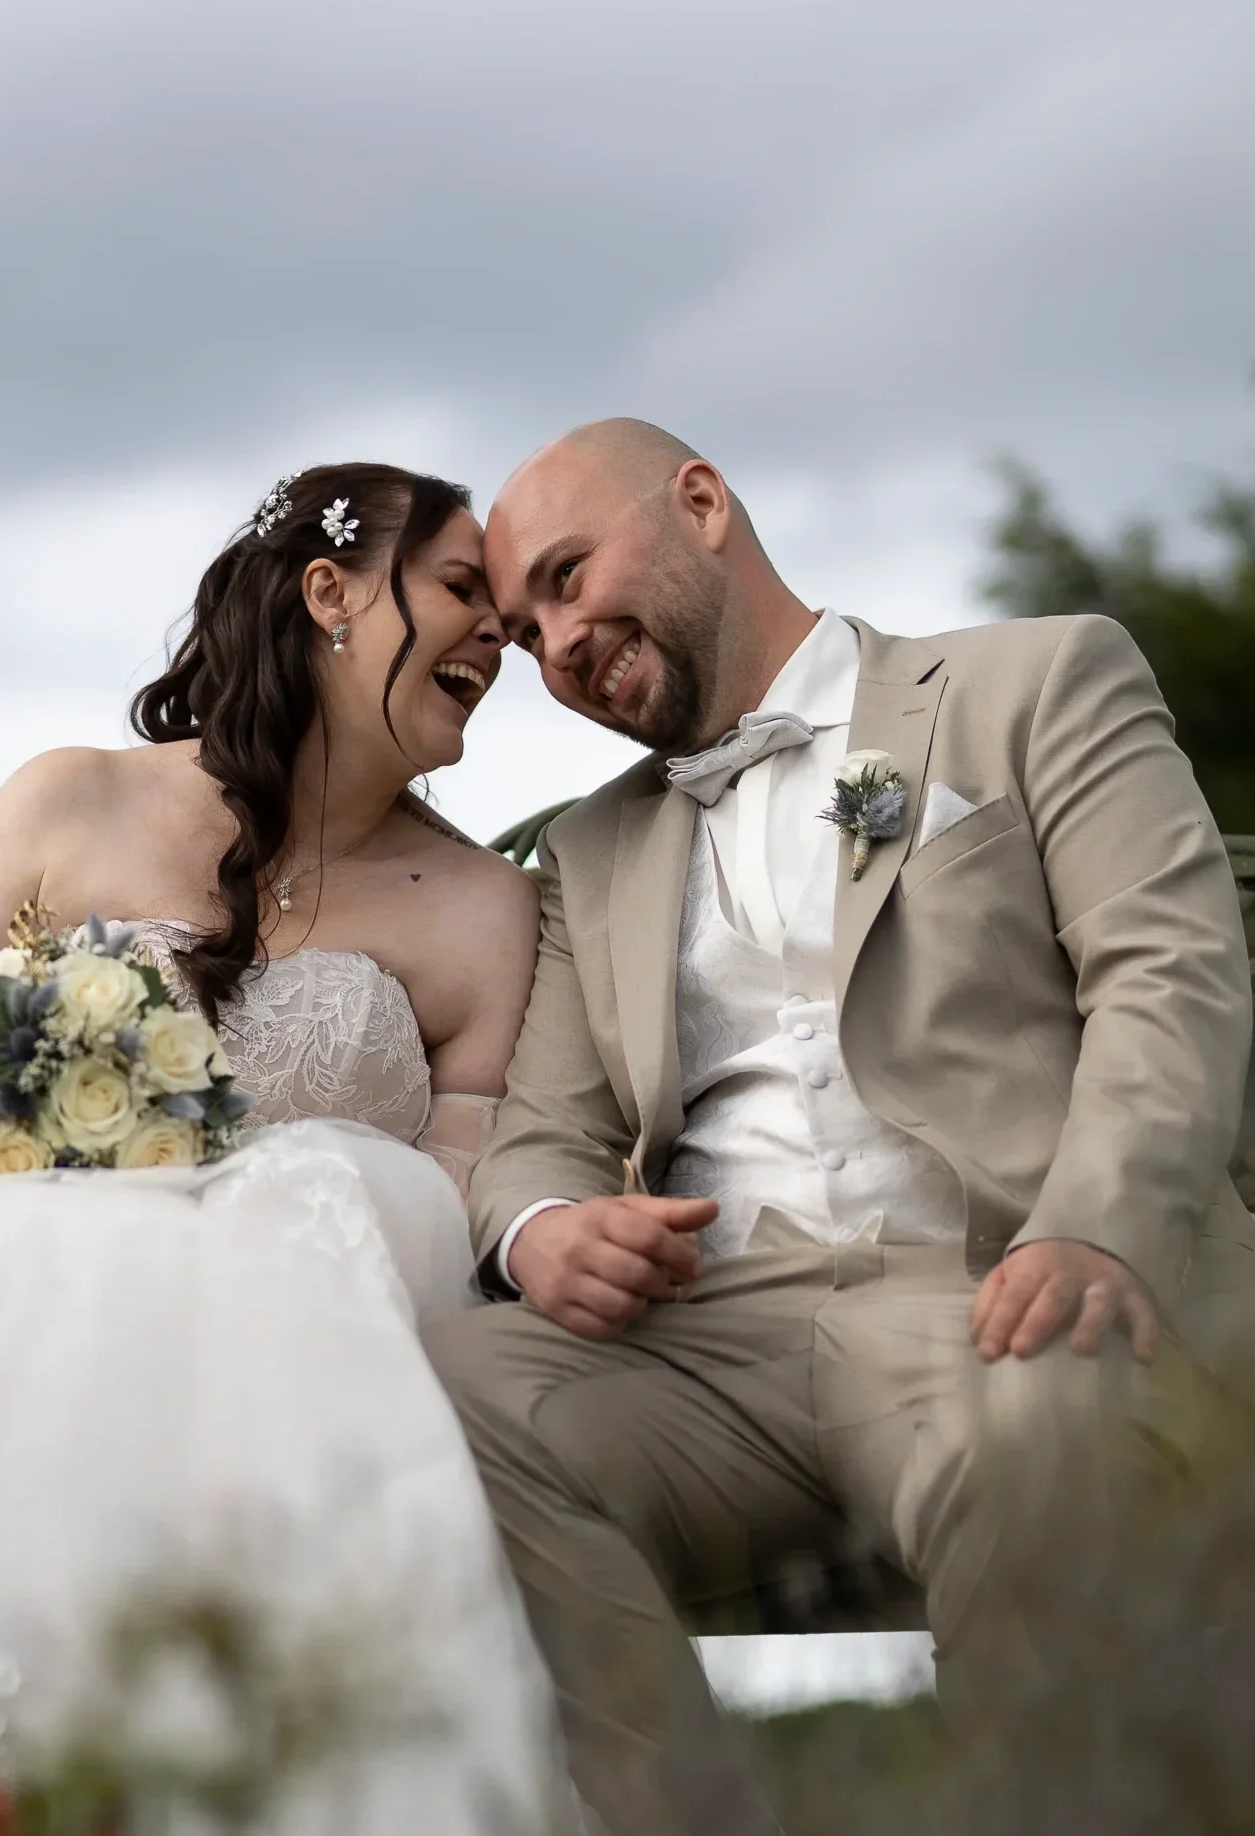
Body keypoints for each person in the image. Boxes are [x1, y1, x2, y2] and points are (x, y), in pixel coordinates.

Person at [425, 419, 1255, 1836]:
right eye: (525, 627)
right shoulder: (591, 847)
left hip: (994, 1291)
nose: (556, 645)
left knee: (1048, 1422)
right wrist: (549, 1228)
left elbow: (1167, 972)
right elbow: (544, 1133)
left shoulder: (1035, 682)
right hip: (715, 1344)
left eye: (570, 576)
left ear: (700, 504)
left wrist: (1092, 1226)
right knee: (448, 1385)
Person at [0, 463, 570, 1832]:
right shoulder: (68, 801)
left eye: (510, 610)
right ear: (329, 593)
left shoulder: (486, 909)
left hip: (291, 1403)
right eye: (462, 590)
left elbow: (468, 1185)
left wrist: (263, 1202)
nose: (499, 634)